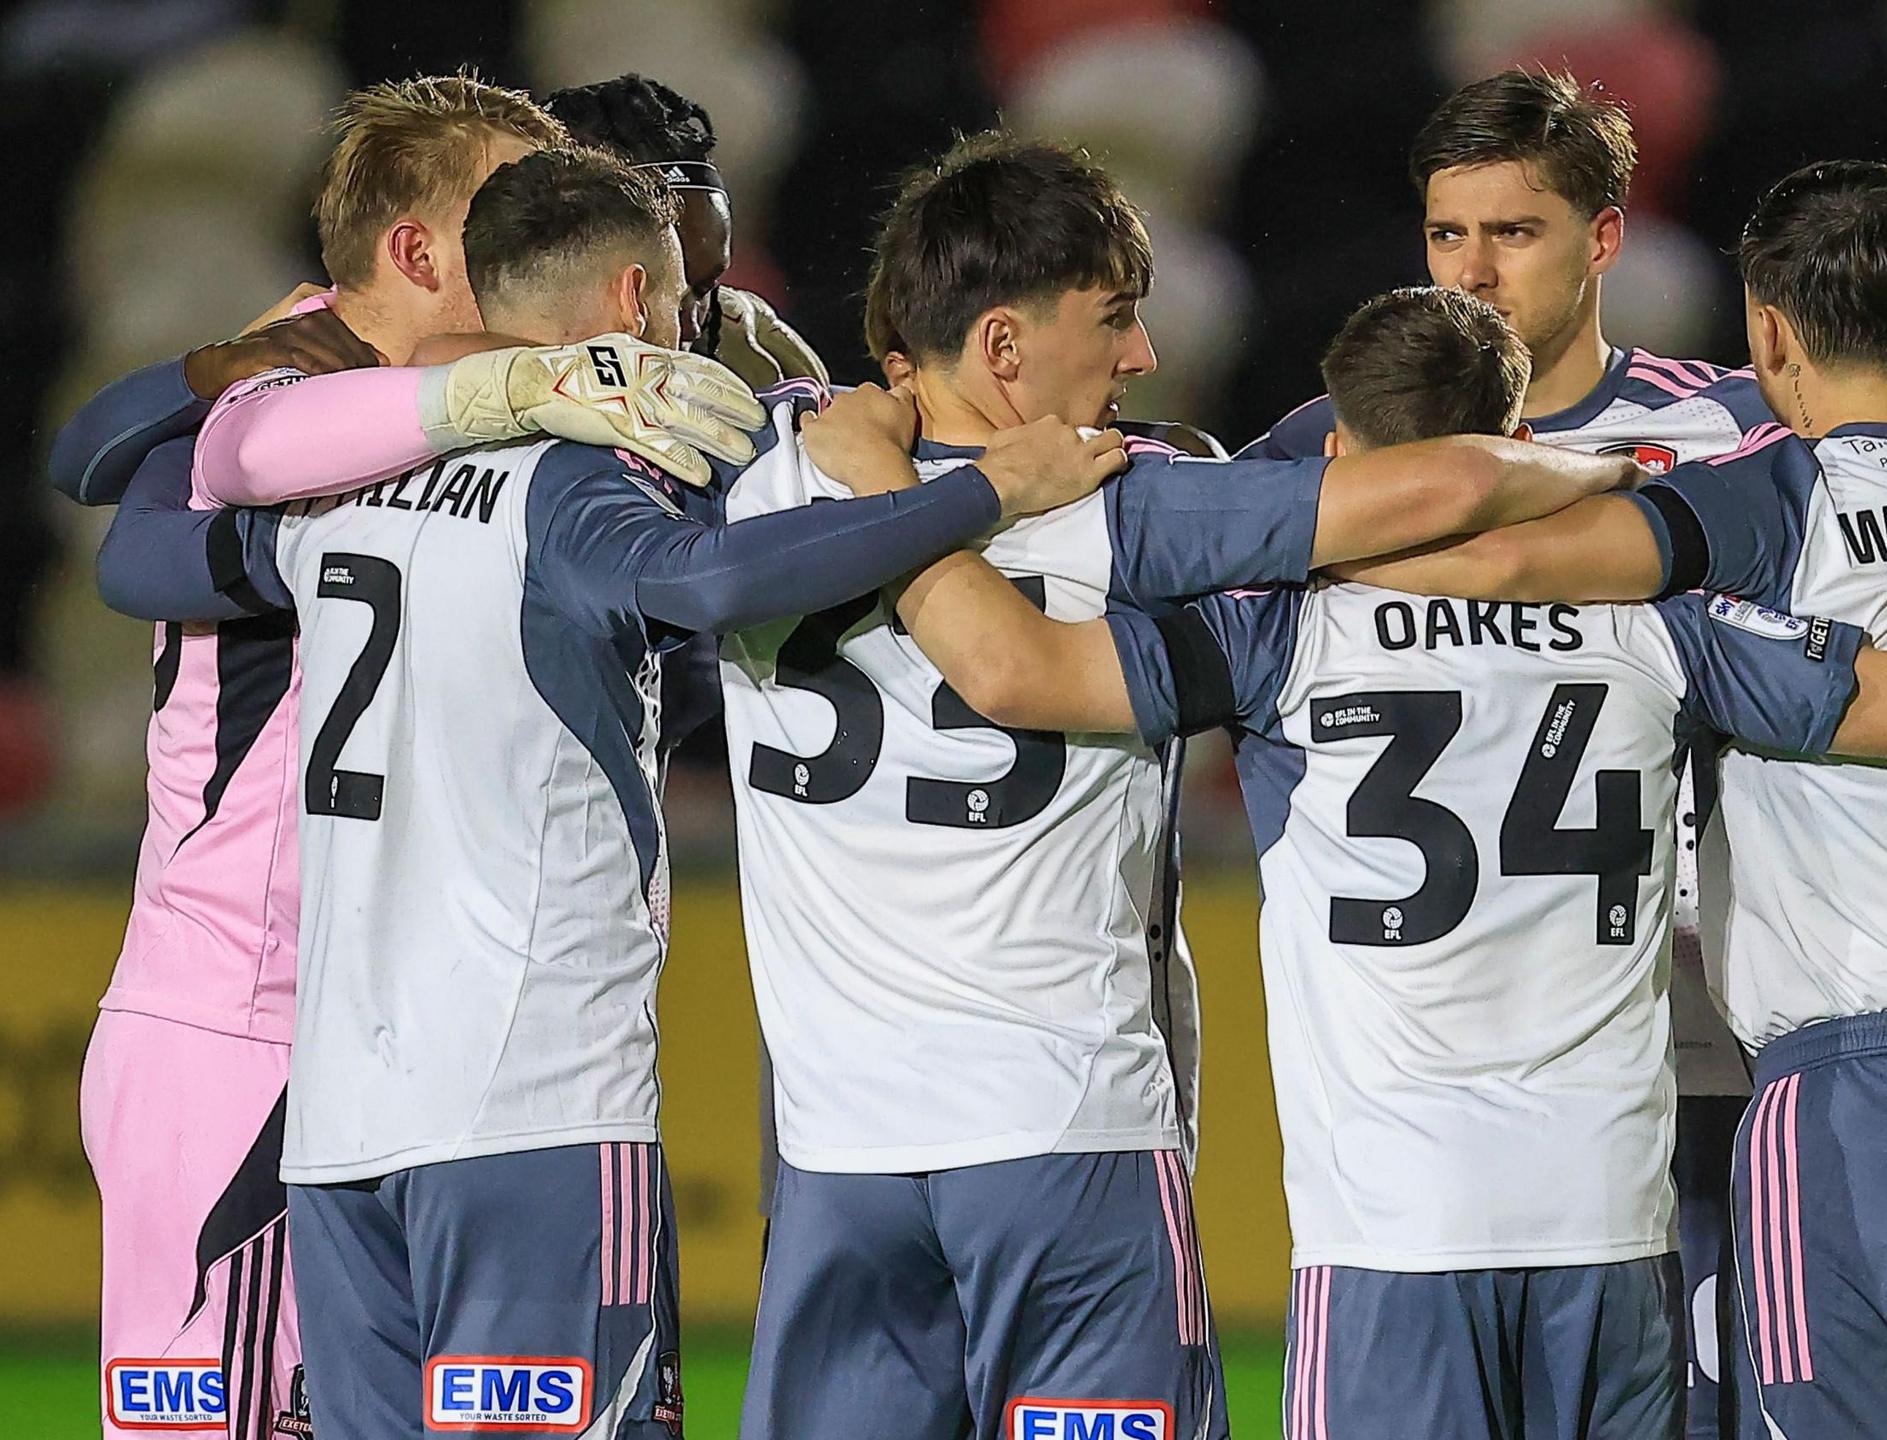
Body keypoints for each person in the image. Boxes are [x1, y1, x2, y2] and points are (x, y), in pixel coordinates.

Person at [851, 282, 1887, 1439]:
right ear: (1523, 435)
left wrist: (883, 500)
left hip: (1392, 1231)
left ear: (1339, 465)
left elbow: (1019, 671)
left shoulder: (1280, 619)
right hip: (1606, 1220)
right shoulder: (1656, 621)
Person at [91, 145, 1112, 1439]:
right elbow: (711, 581)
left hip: (343, 1130)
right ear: (633, 299)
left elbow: (138, 539)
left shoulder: (332, 477)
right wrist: (974, 490)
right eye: (683, 292)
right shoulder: (578, 486)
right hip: (532, 1103)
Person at [722, 131, 1666, 1440]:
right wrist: (1617, 471)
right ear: (1004, 350)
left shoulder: (758, 483)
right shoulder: (1135, 503)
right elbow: (1447, 480)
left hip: (833, 1160)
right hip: (1068, 1136)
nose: (1142, 357)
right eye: (1114, 321)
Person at [45, 75, 647, 1440]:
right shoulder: (286, 407)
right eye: (506, 216)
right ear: (422, 254)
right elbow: (116, 503)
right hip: (239, 1016)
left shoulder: (422, 410)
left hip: (368, 1039)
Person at [1240, 75, 1792, 1427]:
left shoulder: (1729, 428)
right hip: (1466, 1057)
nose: (1473, 274)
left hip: (1710, 1037)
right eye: (1446, 237)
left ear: (1606, 241)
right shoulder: (1333, 446)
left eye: (1515, 234)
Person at [545, 71, 829, 388]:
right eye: (652, 287)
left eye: (705, 288)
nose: (691, 327)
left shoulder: (755, 365)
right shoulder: (489, 380)